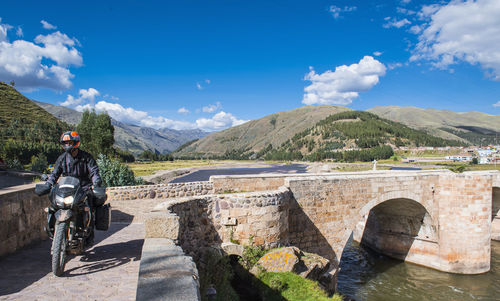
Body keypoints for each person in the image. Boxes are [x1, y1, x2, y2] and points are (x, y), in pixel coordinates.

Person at [46, 131, 103, 243]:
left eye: (70, 142)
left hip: (83, 188)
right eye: (65, 143)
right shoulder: (62, 158)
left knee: (89, 206)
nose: (67, 145)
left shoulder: (86, 157)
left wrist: (96, 181)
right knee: (53, 206)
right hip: (67, 188)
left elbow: (93, 171)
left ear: (76, 143)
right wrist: (49, 183)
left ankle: (88, 232)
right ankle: (52, 229)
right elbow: (55, 173)